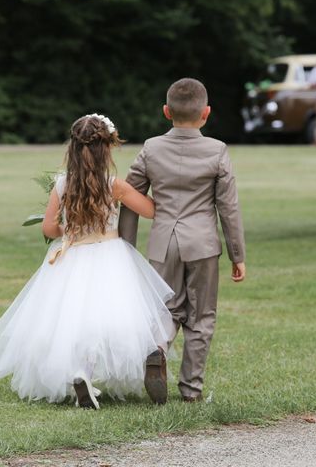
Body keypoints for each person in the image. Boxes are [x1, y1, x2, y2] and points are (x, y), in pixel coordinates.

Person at [0, 114, 175, 410]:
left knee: (75, 319)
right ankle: (110, 366)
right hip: (110, 256)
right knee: (107, 318)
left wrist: (69, 231)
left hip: (71, 258)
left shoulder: (62, 184)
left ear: (72, 148)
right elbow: (150, 210)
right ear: (107, 149)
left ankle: (81, 373)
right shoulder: (114, 185)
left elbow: (48, 229)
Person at [119, 78, 246, 404]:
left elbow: (130, 197)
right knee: (201, 317)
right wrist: (237, 254)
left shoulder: (151, 148)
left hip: (162, 243)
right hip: (202, 244)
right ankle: (191, 389)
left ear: (166, 111)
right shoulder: (217, 150)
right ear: (206, 113)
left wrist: (126, 247)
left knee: (165, 309)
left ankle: (158, 349)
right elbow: (228, 207)